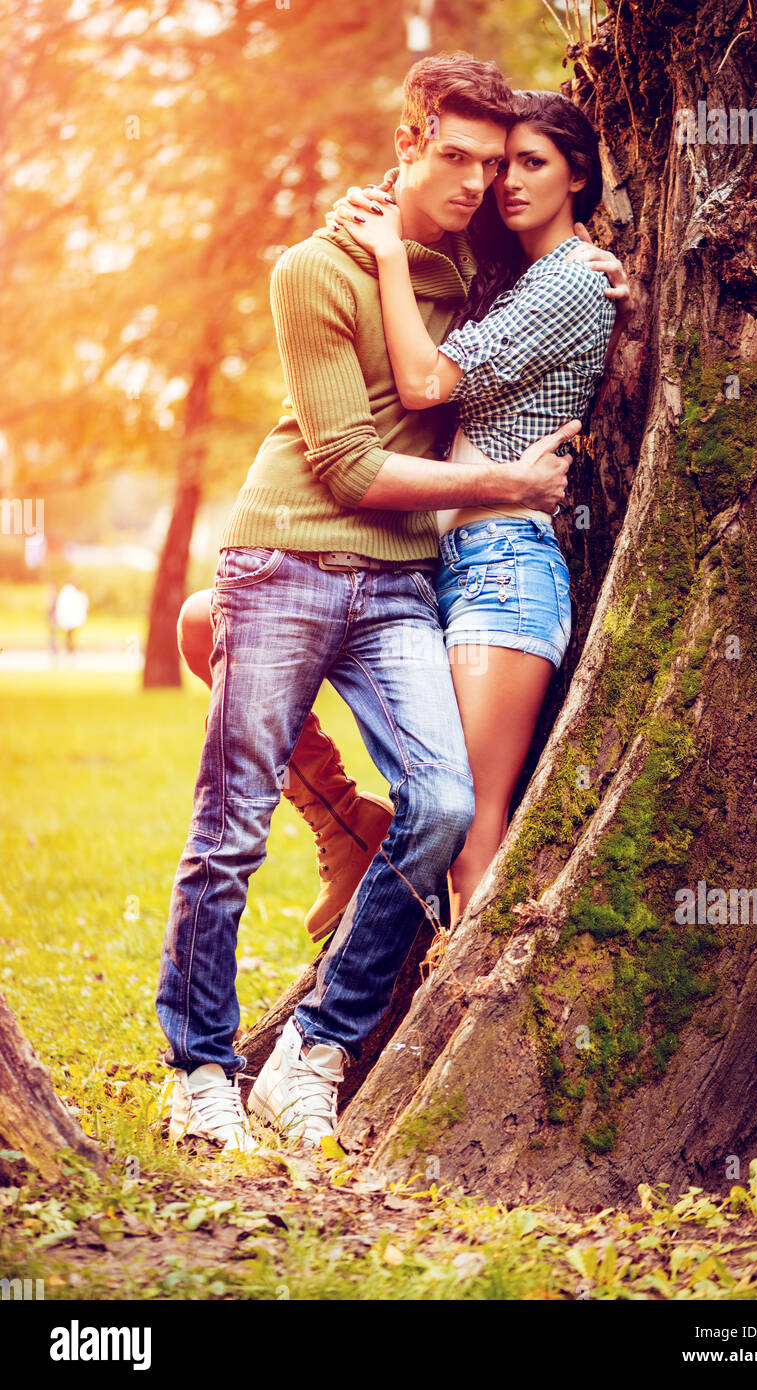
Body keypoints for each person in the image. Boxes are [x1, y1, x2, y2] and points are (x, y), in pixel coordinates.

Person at [157, 52, 583, 1155]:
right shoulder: (315, 264)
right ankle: (198, 1069)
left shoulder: (468, 268)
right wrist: (505, 482)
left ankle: (316, 1048)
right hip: (291, 554)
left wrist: (602, 271)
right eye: (453, 157)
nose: (478, 183)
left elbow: (552, 262)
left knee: (441, 808)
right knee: (228, 826)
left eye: (493, 166)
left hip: (400, 581)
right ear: (407, 143)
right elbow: (348, 466)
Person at [327, 89, 632, 922]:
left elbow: (427, 382)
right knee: (438, 807)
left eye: (530, 164)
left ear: (578, 175)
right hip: (445, 566)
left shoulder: (568, 281)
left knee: (469, 833)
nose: (504, 183)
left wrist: (388, 257)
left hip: (506, 566)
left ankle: (455, 1016)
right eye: (499, 166)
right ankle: (345, 833)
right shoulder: (511, 277)